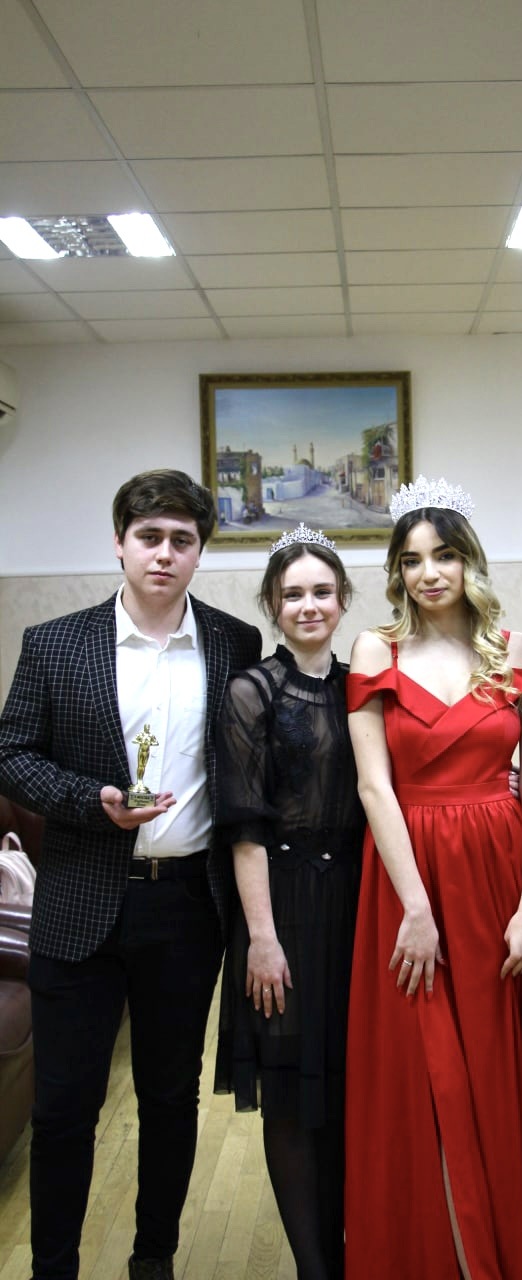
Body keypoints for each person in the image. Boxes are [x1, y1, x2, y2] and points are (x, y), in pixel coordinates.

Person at [0, 470, 262, 1280]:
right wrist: (89, 801)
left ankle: (154, 1258)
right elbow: (11, 753)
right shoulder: (54, 643)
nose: (164, 554)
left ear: (199, 553)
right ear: (119, 543)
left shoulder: (234, 643)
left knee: (169, 1098)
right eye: (149, 537)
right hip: (79, 901)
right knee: (62, 1108)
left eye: (182, 540)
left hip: (186, 906)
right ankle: (53, 1267)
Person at [344, 476, 522, 1280]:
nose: (428, 573)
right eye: (410, 560)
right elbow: (374, 787)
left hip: (496, 877)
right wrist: (414, 907)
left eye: (442, 555)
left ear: (470, 560)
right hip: (405, 878)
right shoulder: (375, 651)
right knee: (413, 1072)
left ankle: (501, 1254)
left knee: (495, 1069)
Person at [213, 524, 363, 1280]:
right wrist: (262, 939)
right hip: (281, 909)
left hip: (358, 906)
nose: (309, 605)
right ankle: (314, 1267)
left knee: (345, 1086)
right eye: (293, 593)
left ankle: (349, 1249)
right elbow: (243, 828)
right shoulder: (252, 692)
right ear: (272, 604)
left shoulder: (361, 684)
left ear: (343, 600)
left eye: (322, 592)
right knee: (291, 1094)